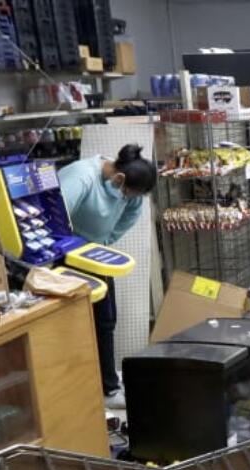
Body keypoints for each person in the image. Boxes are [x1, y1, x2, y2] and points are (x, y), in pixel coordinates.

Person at [58, 144, 157, 405]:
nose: (127, 198)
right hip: (64, 252)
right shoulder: (81, 177)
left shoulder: (130, 191)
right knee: (70, 323)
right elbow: (56, 218)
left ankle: (107, 386)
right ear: (119, 178)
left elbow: (131, 214)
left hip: (93, 252)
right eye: (127, 193)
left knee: (105, 320)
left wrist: (105, 240)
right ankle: (89, 386)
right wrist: (67, 252)